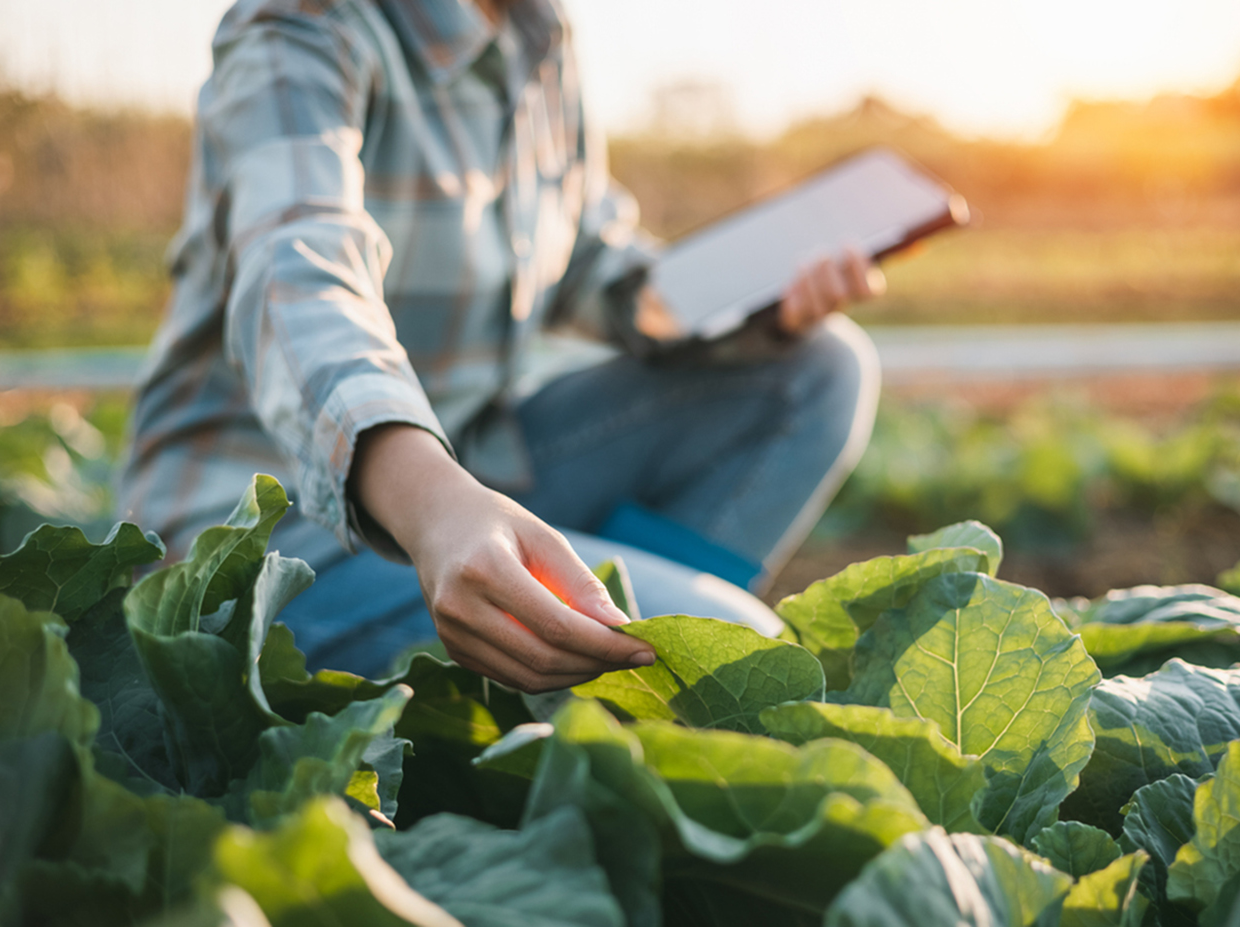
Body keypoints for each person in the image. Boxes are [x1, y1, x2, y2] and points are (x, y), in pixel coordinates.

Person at [117, 0, 882, 693]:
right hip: (274, 545)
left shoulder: (537, 37)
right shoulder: (303, 27)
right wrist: (436, 505)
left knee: (815, 370)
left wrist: (756, 301)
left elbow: (592, 265)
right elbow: (298, 274)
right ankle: (587, 683)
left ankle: (573, 672)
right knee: (734, 645)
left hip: (473, 475)